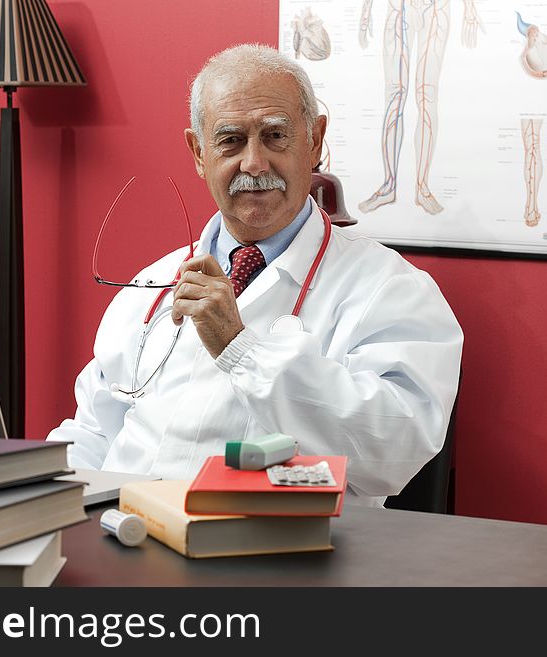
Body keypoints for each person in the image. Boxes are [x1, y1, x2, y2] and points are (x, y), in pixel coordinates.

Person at [47, 44, 463, 507]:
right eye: (230, 140)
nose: (254, 164)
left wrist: (241, 349)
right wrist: (37, 495)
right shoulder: (148, 286)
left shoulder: (391, 289)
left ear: (315, 140)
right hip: (125, 537)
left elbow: (396, 448)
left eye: (275, 136)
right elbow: (95, 430)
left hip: (275, 553)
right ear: (198, 152)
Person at [358, 0, 482, 215]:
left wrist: (469, 7)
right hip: (399, 8)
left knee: (427, 93)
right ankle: (389, 184)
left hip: (436, 8)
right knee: (395, 94)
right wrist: (366, 10)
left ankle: (422, 186)